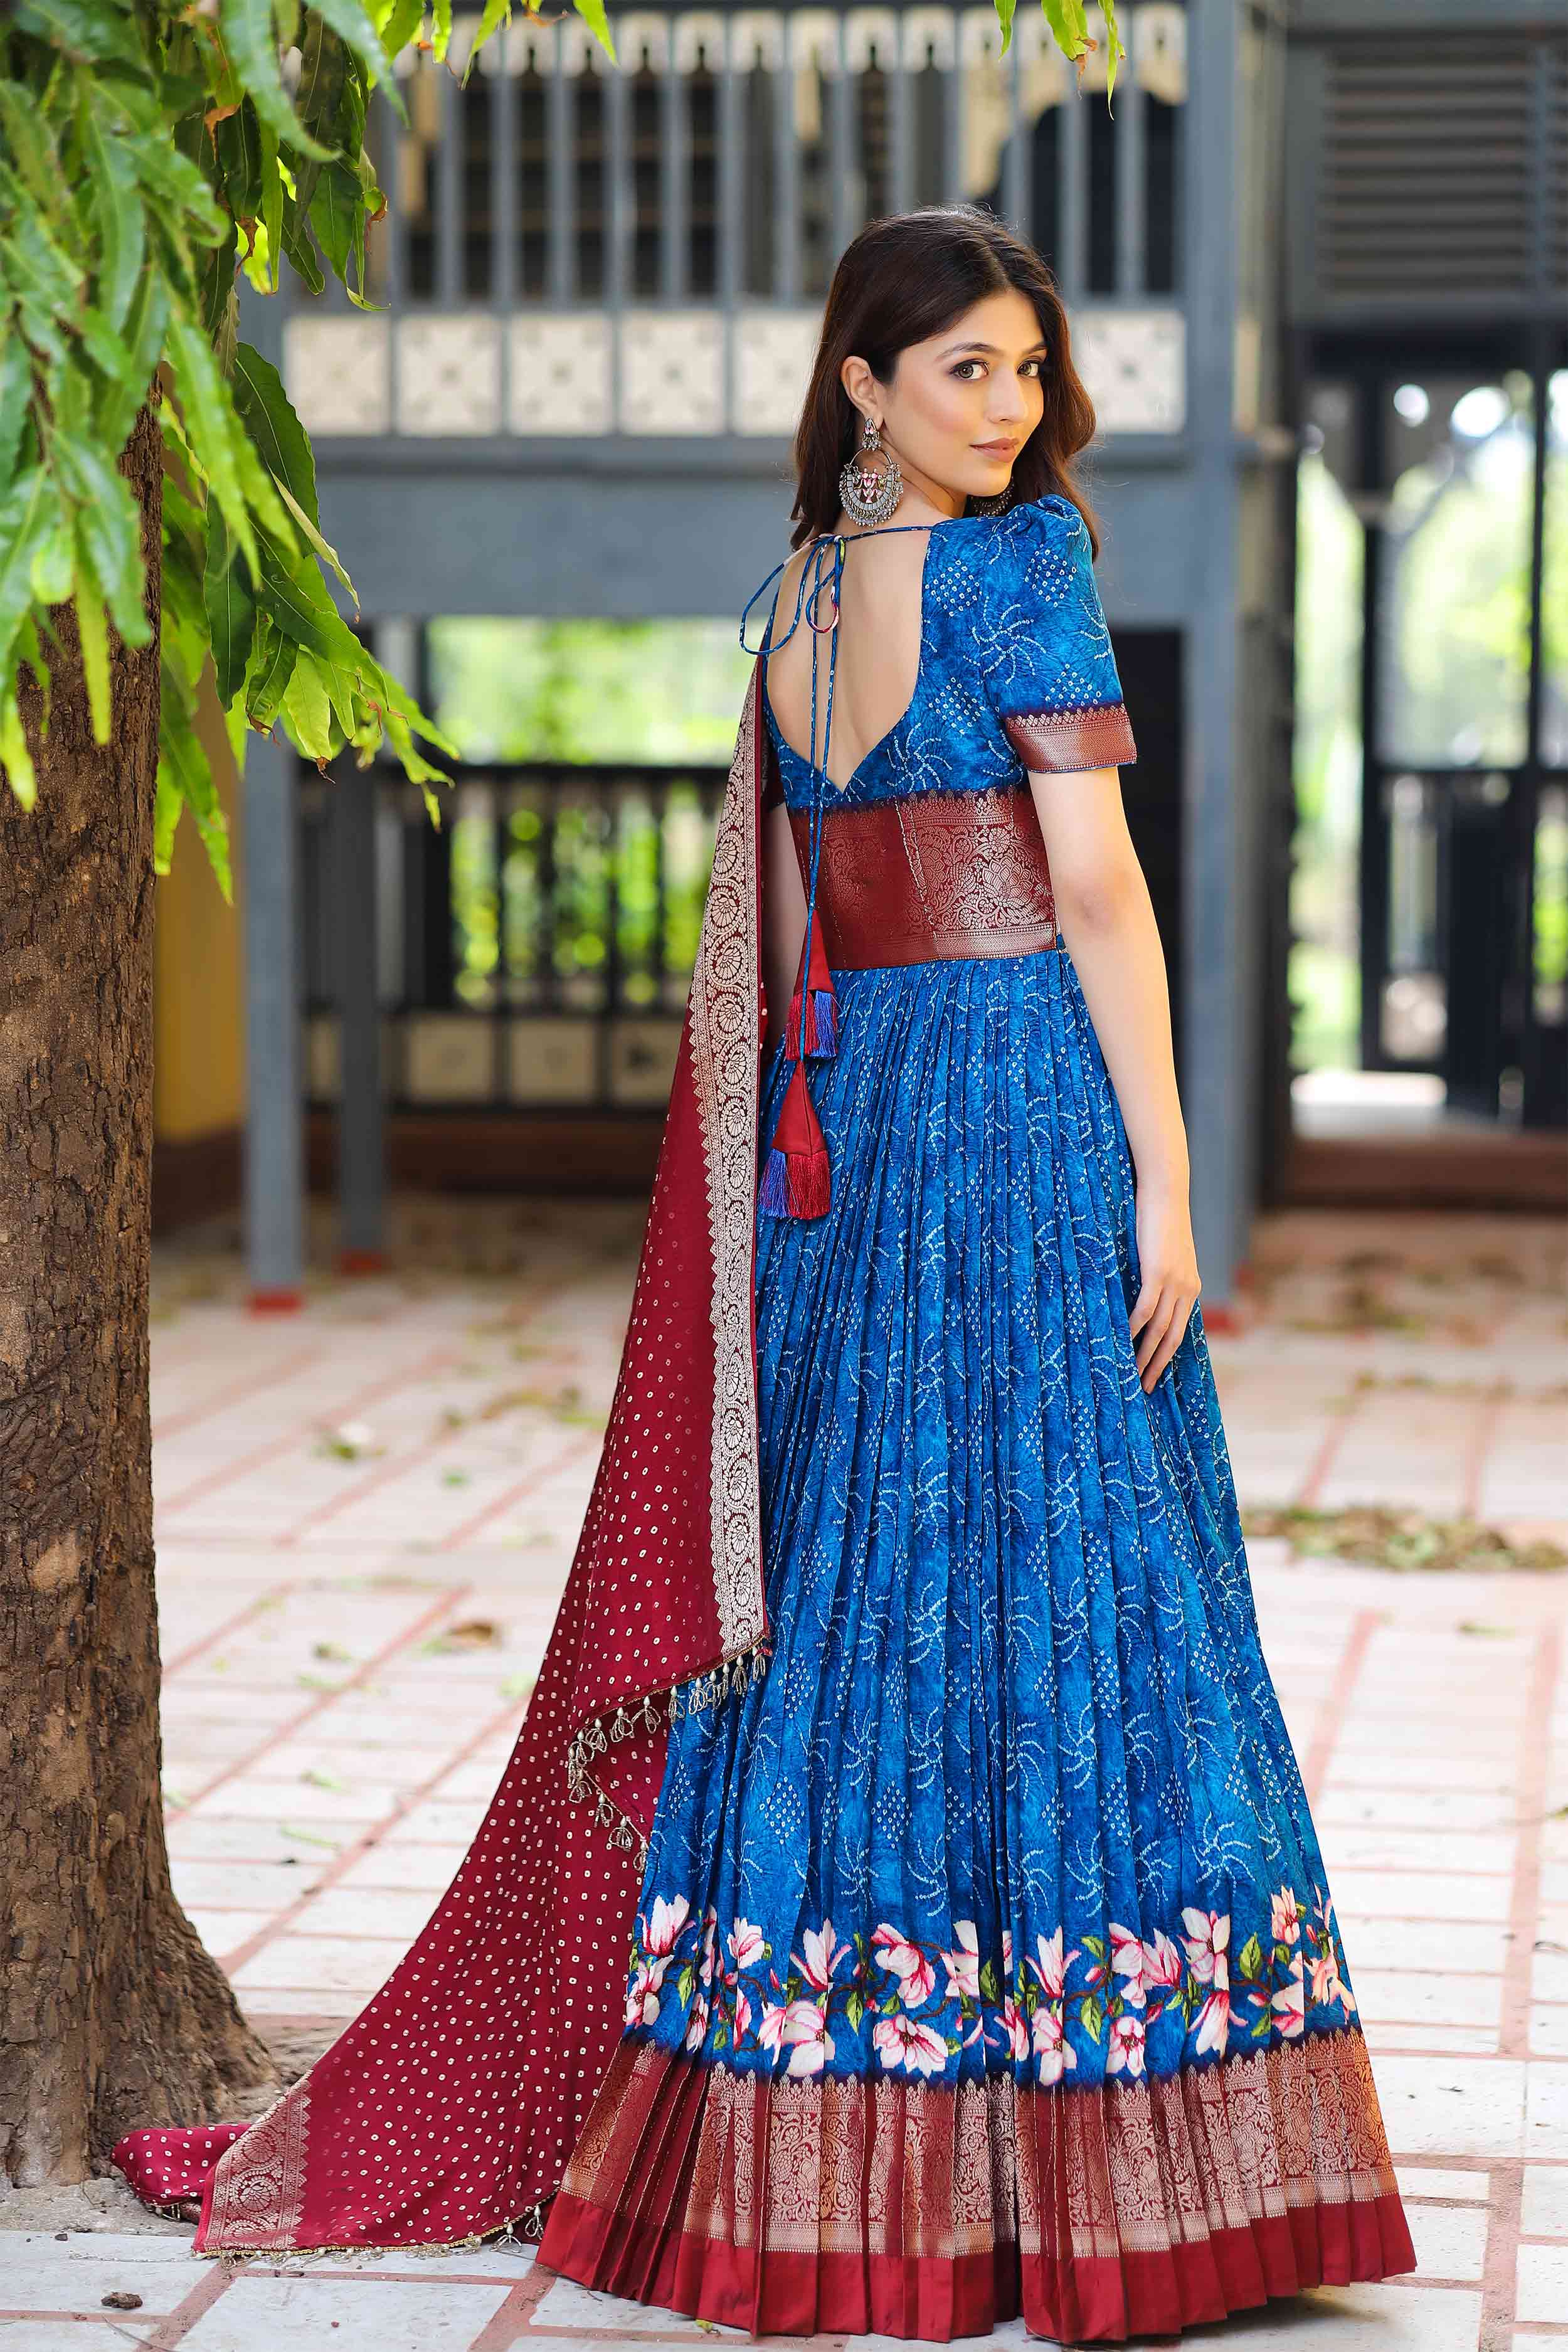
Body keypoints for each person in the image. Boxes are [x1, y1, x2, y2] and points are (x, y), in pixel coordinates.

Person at [114, 208, 1416, 2345]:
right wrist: (1173, 1193)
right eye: (965, 371)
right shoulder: (1020, 572)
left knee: (848, 1573)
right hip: (1000, 1103)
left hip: (847, 1122)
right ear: (862, 384)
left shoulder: (797, 597)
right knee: (1069, 1565)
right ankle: (1091, 2163)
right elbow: (1092, 897)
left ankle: (807, 2125)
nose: (1006, 411)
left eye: (1024, 370)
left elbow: (797, 933)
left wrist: (797, 1176)